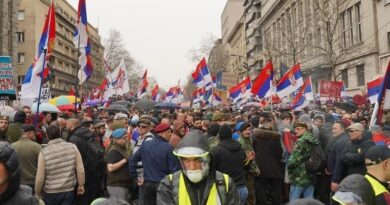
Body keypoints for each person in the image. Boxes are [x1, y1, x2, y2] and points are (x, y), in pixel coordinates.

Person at [157, 130, 240, 205]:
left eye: (198, 160)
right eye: (187, 160)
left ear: (208, 159)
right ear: (181, 161)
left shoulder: (224, 183)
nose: (192, 167)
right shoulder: (169, 184)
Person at [129, 123, 180, 205]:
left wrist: (135, 177)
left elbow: (132, 160)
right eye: (169, 132)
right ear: (162, 133)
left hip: (148, 184)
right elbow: (174, 170)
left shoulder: (145, 144)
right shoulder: (168, 148)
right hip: (163, 185)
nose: (171, 134)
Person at [35, 125, 85, 205]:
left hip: (50, 192)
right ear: (60, 134)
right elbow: (80, 169)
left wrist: (37, 193)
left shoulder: (44, 152)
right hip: (69, 190)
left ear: (47, 136)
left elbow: (40, 178)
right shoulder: (72, 147)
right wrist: (81, 184)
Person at [67, 118, 105, 205]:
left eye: (67, 125)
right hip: (93, 171)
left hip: (81, 173)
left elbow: (73, 158)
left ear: (72, 126)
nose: (66, 127)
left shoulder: (73, 139)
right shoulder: (89, 134)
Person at [211, 124, 248, 204]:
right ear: (231, 134)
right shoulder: (240, 149)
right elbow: (245, 165)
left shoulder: (216, 151)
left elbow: (212, 170)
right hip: (242, 188)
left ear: (219, 135)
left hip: (225, 189)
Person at [253, 119, 283, 205]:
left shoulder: (256, 137)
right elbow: (280, 153)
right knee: (276, 192)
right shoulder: (276, 138)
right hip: (275, 168)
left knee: (261, 191)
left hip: (261, 168)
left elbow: (253, 151)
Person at [288, 122, 320, 201]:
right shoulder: (313, 139)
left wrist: (289, 168)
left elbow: (294, 160)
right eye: (295, 129)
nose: (296, 131)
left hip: (299, 174)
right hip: (310, 172)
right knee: (309, 198)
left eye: (298, 129)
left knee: (294, 199)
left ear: (305, 129)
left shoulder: (301, 141)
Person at [12, 124, 41, 191]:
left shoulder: (12, 146)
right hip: (32, 183)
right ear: (30, 133)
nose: (35, 135)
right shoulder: (36, 147)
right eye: (34, 133)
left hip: (17, 182)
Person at [106, 128, 132, 201]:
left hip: (122, 184)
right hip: (116, 185)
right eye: (124, 138)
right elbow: (110, 168)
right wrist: (125, 160)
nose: (127, 139)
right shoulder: (113, 151)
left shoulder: (121, 148)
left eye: (127, 137)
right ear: (117, 139)